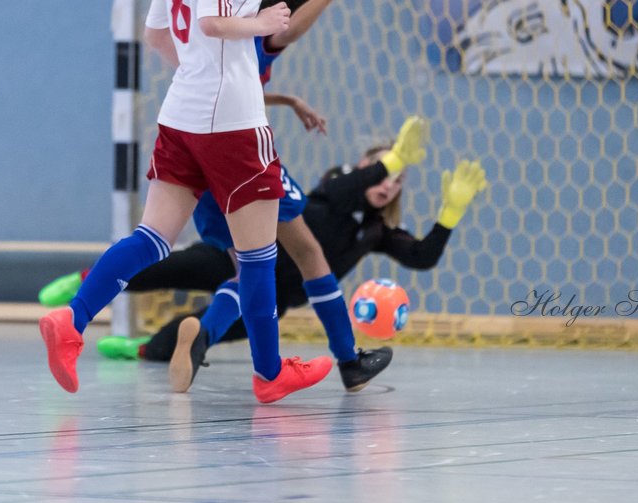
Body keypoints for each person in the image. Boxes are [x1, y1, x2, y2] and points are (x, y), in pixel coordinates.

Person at [38, 0, 333, 404]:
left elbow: (156, 34)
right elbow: (217, 22)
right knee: (256, 255)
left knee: (153, 238)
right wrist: (266, 18)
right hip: (232, 123)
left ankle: (71, 320)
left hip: (184, 113)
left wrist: (198, 69)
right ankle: (270, 374)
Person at [95, 140, 487, 374]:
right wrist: (394, 159)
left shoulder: (374, 231)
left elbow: (420, 257)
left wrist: (449, 215)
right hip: (235, 257)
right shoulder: (334, 189)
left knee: (199, 332)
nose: (389, 184)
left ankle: (142, 348)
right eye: (385, 172)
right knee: (163, 269)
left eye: (398, 181)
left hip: (275, 298)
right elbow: (341, 191)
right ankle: (82, 285)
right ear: (365, 168)